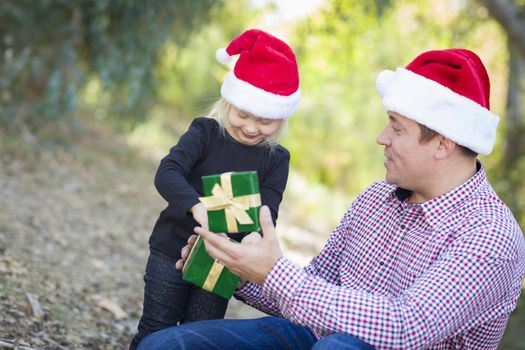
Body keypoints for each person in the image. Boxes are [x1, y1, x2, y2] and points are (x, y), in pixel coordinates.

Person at [137, 49, 525, 350]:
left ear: (443, 144)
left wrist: (273, 273)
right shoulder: (377, 199)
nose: (381, 138)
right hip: (317, 337)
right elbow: (314, 288)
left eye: (396, 128)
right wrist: (240, 267)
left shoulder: (490, 236)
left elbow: (407, 326)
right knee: (169, 344)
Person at [129, 29, 302, 350]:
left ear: (281, 117)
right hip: (172, 248)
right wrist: (198, 208)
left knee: (199, 337)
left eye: (265, 121)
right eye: (243, 114)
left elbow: (268, 210)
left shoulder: (276, 159)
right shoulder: (205, 133)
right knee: (155, 329)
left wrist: (254, 238)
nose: (251, 127)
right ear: (228, 102)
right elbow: (168, 172)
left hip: (222, 262)